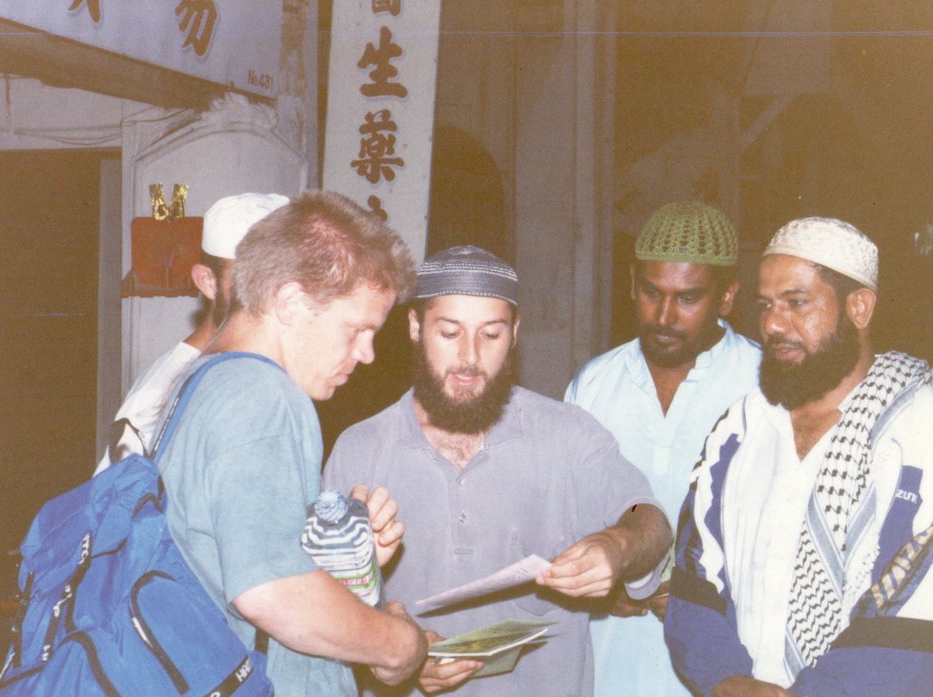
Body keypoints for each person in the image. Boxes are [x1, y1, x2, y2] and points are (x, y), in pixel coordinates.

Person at [324, 245, 672, 697]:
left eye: (491, 335)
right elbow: (322, 607)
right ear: (415, 327)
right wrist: (391, 655)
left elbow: (650, 518)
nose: (469, 357)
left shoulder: (567, 435)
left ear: (515, 334)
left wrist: (617, 545)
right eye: (449, 333)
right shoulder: (360, 451)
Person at [154, 190, 429, 696]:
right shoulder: (266, 396)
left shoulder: (201, 380)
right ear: (290, 303)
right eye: (357, 329)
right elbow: (270, 591)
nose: (367, 353)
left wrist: (344, 560)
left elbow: (232, 561)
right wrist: (399, 644)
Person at [664, 217, 933, 696]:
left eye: (797, 302)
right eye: (765, 305)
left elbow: (912, 615)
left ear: (859, 307)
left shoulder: (916, 427)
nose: (772, 324)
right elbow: (695, 574)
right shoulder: (742, 427)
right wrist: (725, 678)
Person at [565, 201, 761, 697]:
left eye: (688, 298)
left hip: (722, 669)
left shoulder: (764, 387)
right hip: (607, 664)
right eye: (652, 292)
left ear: (727, 296)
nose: (665, 316)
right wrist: (601, 590)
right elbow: (560, 516)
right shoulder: (594, 385)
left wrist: (704, 600)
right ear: (633, 284)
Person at [94, 192, 289, 474]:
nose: (268, 300)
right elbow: (117, 496)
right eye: (249, 283)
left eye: (280, 283)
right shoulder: (158, 397)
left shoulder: (262, 373)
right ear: (208, 282)